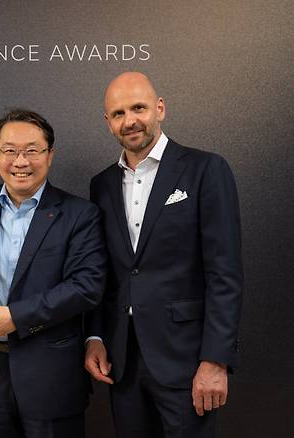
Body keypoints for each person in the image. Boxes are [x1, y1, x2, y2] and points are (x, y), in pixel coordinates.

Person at [85, 72, 243, 438]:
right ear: (108, 122)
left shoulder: (206, 169)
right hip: (123, 363)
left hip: (187, 362)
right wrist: (94, 337)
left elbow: (225, 273)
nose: (131, 120)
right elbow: (105, 271)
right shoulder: (102, 184)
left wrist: (215, 360)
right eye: (119, 113)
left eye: (138, 108)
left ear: (160, 108)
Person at [0, 109, 107, 438]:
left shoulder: (80, 214)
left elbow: (87, 286)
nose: (20, 161)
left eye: (32, 150)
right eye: (9, 150)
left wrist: (15, 317)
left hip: (51, 374)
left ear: (50, 155)